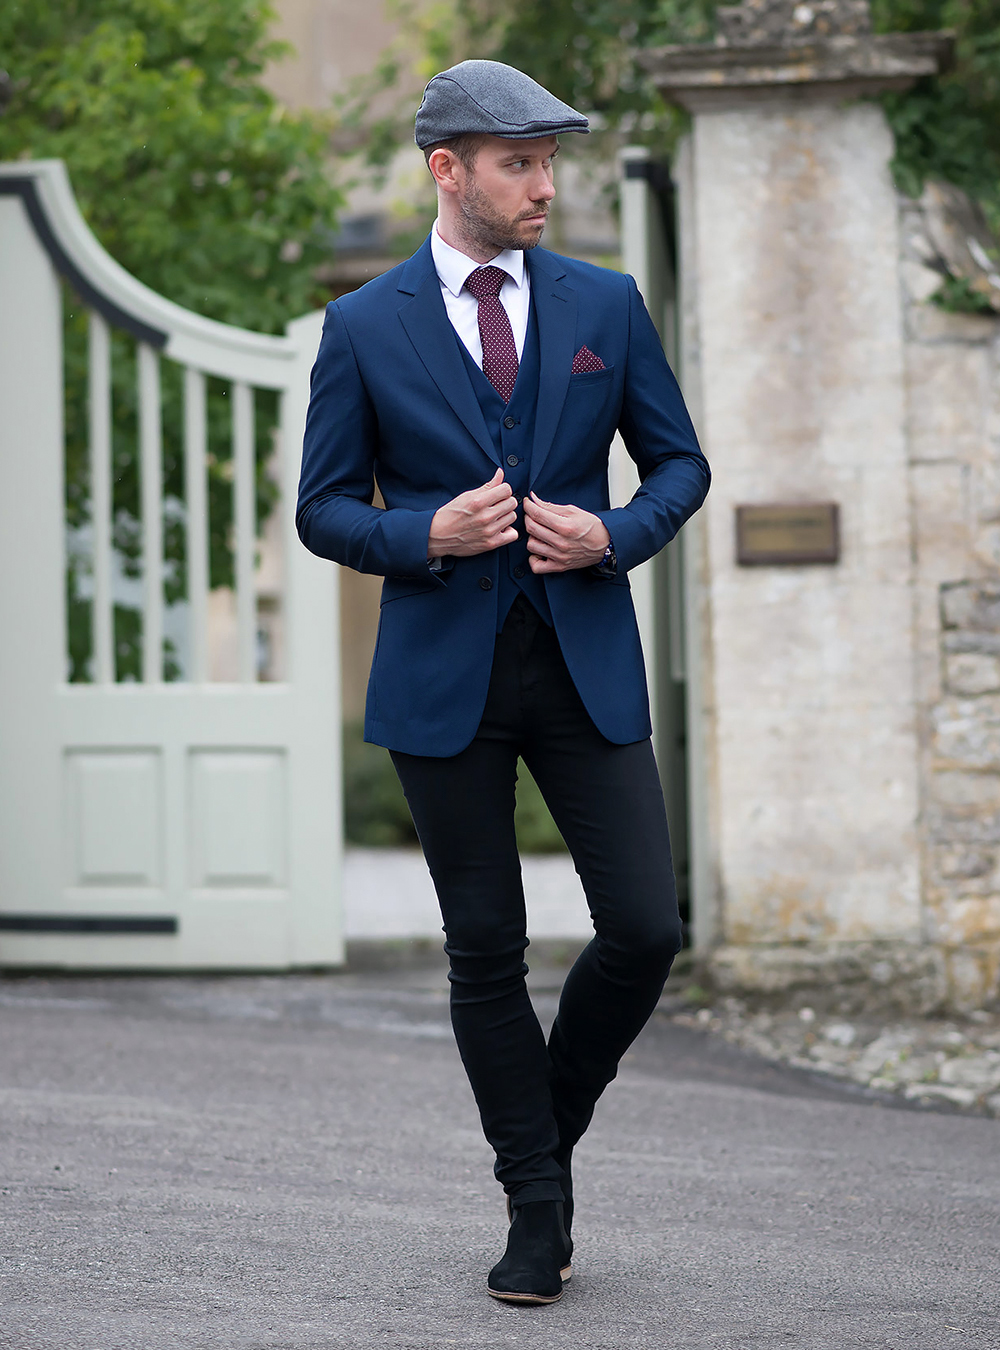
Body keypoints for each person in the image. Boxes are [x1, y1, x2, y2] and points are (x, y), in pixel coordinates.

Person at [297, 59, 710, 1305]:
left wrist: (616, 534)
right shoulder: (363, 325)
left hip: (581, 657)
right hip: (444, 678)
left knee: (645, 927)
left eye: (548, 163)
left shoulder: (605, 303)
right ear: (448, 169)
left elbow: (680, 466)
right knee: (485, 949)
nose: (543, 185)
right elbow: (323, 509)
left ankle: (544, 1128)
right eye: (518, 163)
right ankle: (537, 1207)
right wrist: (425, 534)